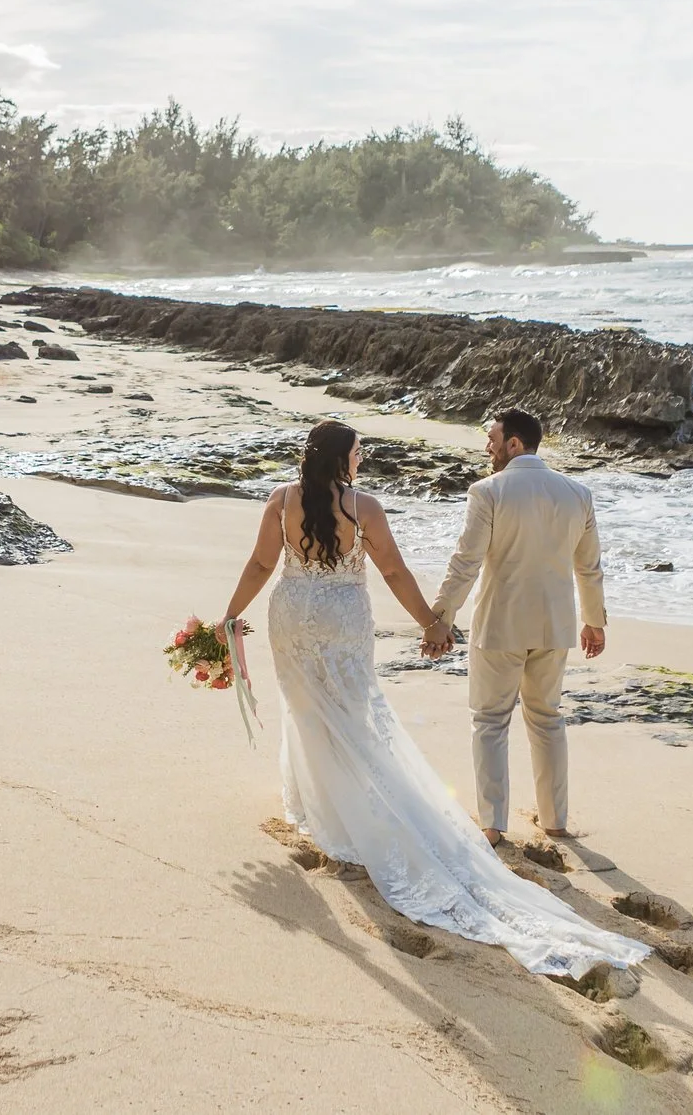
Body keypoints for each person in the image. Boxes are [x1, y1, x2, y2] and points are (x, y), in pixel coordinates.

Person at [219, 419, 647, 980]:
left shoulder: (281, 500)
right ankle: (539, 817)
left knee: (309, 713)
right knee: (358, 718)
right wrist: (432, 623)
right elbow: (393, 570)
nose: (362, 459)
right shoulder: (364, 507)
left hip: (292, 617)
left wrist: (231, 613)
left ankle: (329, 807)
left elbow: (260, 565)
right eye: (358, 452)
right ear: (340, 458)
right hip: (350, 620)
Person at [423, 407, 606, 844]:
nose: (487, 447)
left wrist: (439, 617)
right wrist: (593, 622)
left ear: (515, 444)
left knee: (489, 721)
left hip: (500, 625)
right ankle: (555, 821)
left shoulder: (488, 491)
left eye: (492, 439)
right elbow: (590, 568)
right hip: (554, 625)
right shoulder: (577, 493)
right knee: (547, 720)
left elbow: (466, 561)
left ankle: (492, 825)